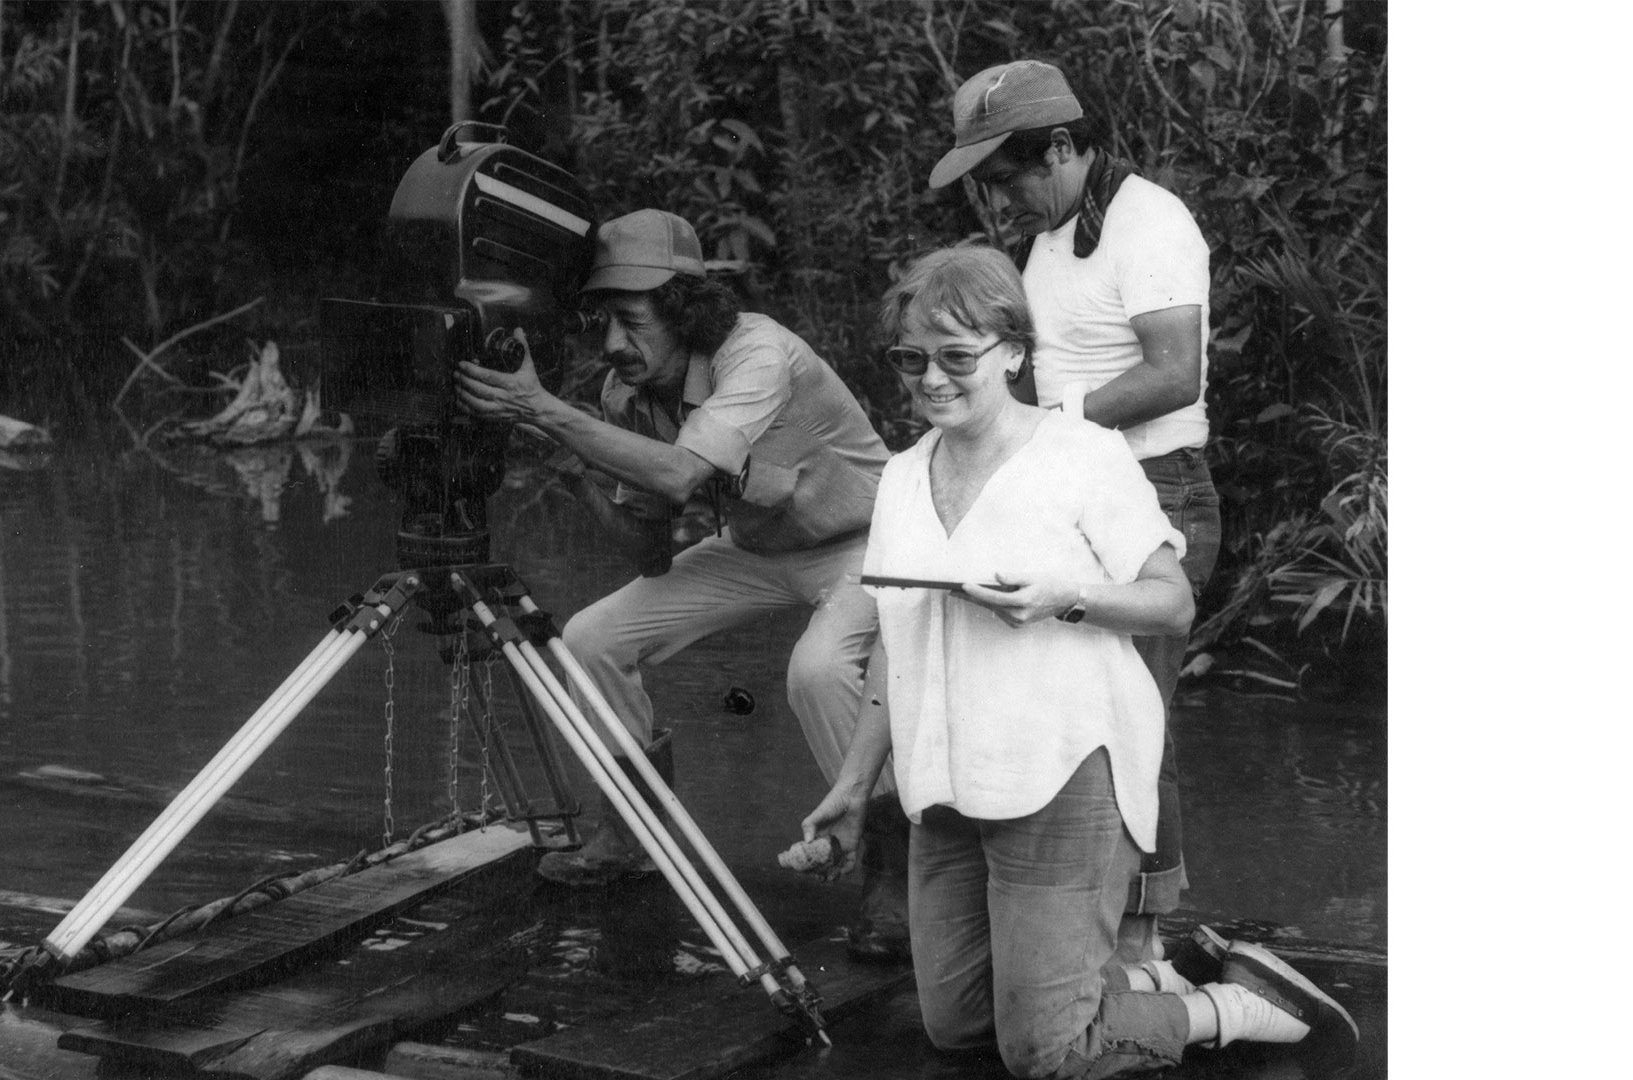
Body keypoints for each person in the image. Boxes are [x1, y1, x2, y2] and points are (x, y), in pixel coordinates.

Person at [801, 245, 1355, 1078]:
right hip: (946, 782)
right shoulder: (904, 476)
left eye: (957, 357)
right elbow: (895, 643)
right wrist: (850, 790)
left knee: (1047, 1055)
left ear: (1015, 353)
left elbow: (1171, 601)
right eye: (911, 359)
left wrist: (1065, 595)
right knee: (954, 1028)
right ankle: (1133, 978)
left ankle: (1236, 1006)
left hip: (1064, 772)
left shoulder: (1081, 453)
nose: (932, 379)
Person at [454, 209, 911, 960]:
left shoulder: (758, 354)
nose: (611, 345)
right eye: (603, 323)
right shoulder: (622, 398)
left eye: (630, 322)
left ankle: (892, 868)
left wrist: (540, 405)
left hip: (869, 542)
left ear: (683, 310)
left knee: (819, 668)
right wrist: (574, 468)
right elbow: (648, 550)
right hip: (761, 549)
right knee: (592, 638)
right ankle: (632, 833)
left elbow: (678, 471)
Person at [928, 59, 1222, 967]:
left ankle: (1145, 942)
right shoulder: (1054, 238)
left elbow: (1177, 375)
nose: (999, 196)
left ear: (1062, 146)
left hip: (1155, 492)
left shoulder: (1150, 221)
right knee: (1063, 708)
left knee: (1137, 717)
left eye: (1007, 174)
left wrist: (1043, 428)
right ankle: (1077, 920)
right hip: (1074, 496)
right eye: (985, 181)